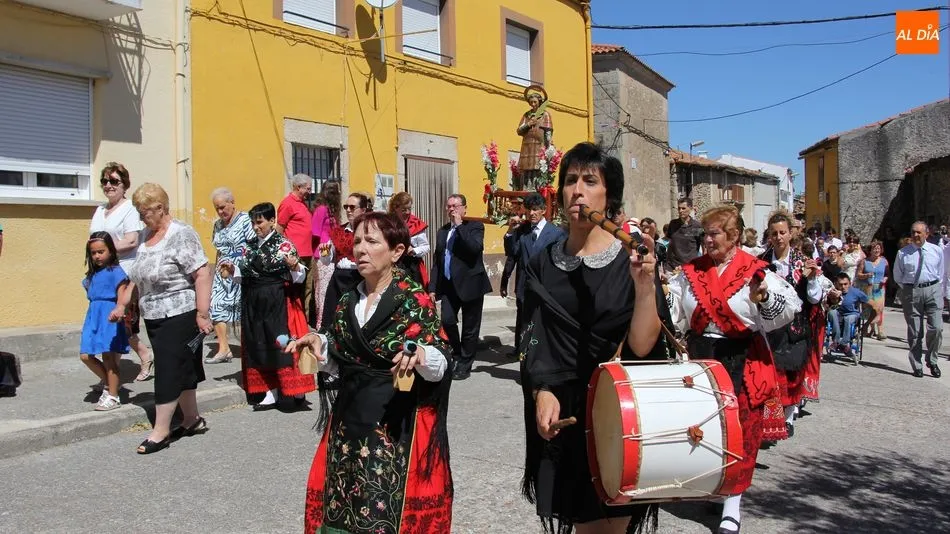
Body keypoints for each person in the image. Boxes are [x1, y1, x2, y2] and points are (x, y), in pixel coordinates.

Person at [520, 142, 671, 534]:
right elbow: (531, 337)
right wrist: (541, 391)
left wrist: (643, 286)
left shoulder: (632, 259)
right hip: (560, 412)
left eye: (590, 181)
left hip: (614, 411)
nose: (578, 190)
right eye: (570, 180)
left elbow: (642, 347)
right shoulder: (542, 262)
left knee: (606, 527)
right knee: (577, 521)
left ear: (610, 195)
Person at [290, 212, 454, 533]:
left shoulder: (413, 299)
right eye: (357, 241)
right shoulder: (349, 300)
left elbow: (441, 362)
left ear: (396, 251)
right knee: (344, 508)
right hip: (348, 423)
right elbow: (339, 358)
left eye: (372, 241)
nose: (360, 249)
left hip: (395, 424)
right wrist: (318, 345)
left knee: (384, 511)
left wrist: (422, 355)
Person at [668, 205, 801, 534]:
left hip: (741, 359)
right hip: (701, 359)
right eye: (706, 234)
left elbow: (787, 311)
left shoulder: (755, 271)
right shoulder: (691, 271)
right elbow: (677, 315)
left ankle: (732, 503)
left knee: (740, 431)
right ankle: (716, 487)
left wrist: (764, 297)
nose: (707, 240)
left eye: (714, 233)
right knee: (707, 429)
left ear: (735, 236)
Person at [117, 183, 213, 454]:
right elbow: (138, 276)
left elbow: (202, 274)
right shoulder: (148, 234)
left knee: (169, 370)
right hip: (154, 314)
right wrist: (124, 303)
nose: (140, 217)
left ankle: (160, 431)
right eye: (138, 211)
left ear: (160, 208)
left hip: (179, 312)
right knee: (182, 367)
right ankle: (192, 419)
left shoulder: (181, 234)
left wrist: (202, 313)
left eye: (144, 211)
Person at [222, 202, 315, 410]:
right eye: (253, 223)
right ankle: (269, 390)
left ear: (272, 221)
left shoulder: (284, 245)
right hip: (254, 301)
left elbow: (299, 276)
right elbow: (245, 272)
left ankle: (291, 391)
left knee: (279, 345)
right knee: (259, 345)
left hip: (277, 301)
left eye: (260, 222)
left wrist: (294, 267)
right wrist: (233, 269)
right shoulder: (250, 245)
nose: (256, 227)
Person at [760, 211, 826, 436]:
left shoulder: (802, 263)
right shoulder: (761, 262)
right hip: (770, 327)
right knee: (773, 374)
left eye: (782, 233)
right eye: (774, 233)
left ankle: (789, 416)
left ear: (790, 234)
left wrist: (811, 278)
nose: (778, 237)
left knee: (792, 373)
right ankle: (774, 419)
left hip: (796, 326)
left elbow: (814, 297)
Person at [89, 162, 153, 382]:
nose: (109, 185)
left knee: (123, 321)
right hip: (101, 274)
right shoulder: (100, 210)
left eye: (114, 181)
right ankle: (112, 372)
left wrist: (106, 249)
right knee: (110, 322)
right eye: (105, 181)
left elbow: (132, 240)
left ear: (124, 184)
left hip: (123, 272)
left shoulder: (129, 209)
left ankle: (139, 358)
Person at [429, 194, 493, 381]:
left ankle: (465, 364)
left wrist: (459, 226)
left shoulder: (474, 227)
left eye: (455, 206)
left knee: (470, 328)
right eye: (449, 206)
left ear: (464, 208)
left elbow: (474, 248)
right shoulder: (442, 231)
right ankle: (457, 353)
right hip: (449, 286)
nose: (451, 209)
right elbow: (437, 262)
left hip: (471, 284)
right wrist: (433, 287)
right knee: (447, 320)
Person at [504, 192, 565, 349]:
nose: (531, 213)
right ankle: (524, 360)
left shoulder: (556, 234)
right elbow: (513, 252)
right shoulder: (522, 231)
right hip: (525, 288)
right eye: (529, 209)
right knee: (525, 328)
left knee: (543, 330)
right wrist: (510, 232)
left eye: (536, 209)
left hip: (546, 289)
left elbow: (559, 264)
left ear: (543, 210)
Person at [80, 232, 130, 411]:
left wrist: (119, 312)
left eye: (101, 251)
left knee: (109, 358)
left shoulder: (116, 272)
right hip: (93, 317)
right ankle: (111, 384)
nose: (97, 256)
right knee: (86, 355)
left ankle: (113, 395)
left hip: (109, 317)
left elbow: (122, 296)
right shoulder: (92, 275)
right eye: (93, 253)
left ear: (111, 251)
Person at [207, 187, 254, 364]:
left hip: (240, 269)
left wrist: (242, 266)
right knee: (217, 305)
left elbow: (253, 245)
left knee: (242, 309)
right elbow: (218, 249)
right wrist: (217, 270)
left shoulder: (245, 221)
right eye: (216, 208)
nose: (220, 212)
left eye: (222, 207)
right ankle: (223, 348)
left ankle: (248, 348)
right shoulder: (218, 225)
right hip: (222, 271)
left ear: (232, 203)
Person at [893, 221, 945, 378]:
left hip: (933, 289)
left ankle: (932, 359)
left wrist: (937, 288)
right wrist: (909, 289)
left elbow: (941, 271)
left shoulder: (936, 251)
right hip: (912, 291)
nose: (915, 235)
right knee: (915, 331)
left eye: (919, 232)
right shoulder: (903, 253)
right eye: (913, 232)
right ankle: (917, 364)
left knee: (936, 328)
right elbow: (898, 275)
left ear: (926, 234)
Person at [321, 192, 372, 329]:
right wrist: (325, 253)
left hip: (359, 278)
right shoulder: (338, 231)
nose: (348, 210)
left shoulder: (370, 231)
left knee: (355, 317)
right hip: (338, 279)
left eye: (352, 207)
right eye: (346, 207)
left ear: (363, 210)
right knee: (332, 315)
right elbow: (327, 261)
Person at [278, 174, 315, 323]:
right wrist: (285, 255)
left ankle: (303, 322)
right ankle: (292, 323)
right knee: (294, 291)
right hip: (295, 256)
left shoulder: (302, 204)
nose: (310, 191)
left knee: (307, 290)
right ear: (298, 187)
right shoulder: (287, 203)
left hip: (307, 254)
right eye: (308, 188)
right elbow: (279, 229)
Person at [311, 181, 342, 330]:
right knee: (322, 289)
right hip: (323, 253)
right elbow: (315, 233)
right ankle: (320, 323)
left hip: (331, 253)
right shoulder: (322, 210)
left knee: (327, 287)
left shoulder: (331, 211)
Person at [388, 191, 431, 287]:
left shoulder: (416, 224)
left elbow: (426, 246)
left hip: (411, 267)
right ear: (395, 208)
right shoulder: (387, 223)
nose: (407, 212)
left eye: (409, 209)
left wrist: (413, 250)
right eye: (404, 210)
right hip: (391, 265)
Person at [517, 85, 554, 190]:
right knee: (527, 167)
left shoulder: (545, 114)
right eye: (531, 102)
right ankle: (526, 187)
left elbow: (548, 132)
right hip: (527, 145)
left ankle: (538, 187)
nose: (533, 104)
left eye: (535, 102)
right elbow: (519, 130)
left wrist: (549, 145)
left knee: (538, 166)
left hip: (540, 145)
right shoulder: (527, 115)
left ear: (539, 102)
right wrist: (528, 124)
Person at [826, 273, 869, 358]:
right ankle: (836, 341)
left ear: (850, 283)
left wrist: (864, 311)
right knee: (831, 312)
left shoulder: (856, 292)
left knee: (848, 318)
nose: (843, 287)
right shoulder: (832, 291)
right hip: (838, 315)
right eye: (840, 284)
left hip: (852, 314)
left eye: (845, 284)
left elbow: (867, 301)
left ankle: (844, 343)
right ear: (836, 284)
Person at [856, 240, 889, 340]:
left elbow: (887, 274)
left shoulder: (884, 261)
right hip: (868, 287)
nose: (877, 250)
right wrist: (866, 275)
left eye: (878, 248)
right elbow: (858, 274)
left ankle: (880, 331)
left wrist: (885, 279)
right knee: (869, 309)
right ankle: (871, 329)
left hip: (879, 288)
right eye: (875, 248)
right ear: (870, 250)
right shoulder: (864, 261)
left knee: (879, 309)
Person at [665, 197, 703, 270]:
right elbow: (668, 242)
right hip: (673, 267)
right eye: (679, 208)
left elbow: (703, 245)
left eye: (683, 208)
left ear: (690, 208)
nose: (680, 211)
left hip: (691, 267)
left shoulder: (697, 226)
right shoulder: (673, 224)